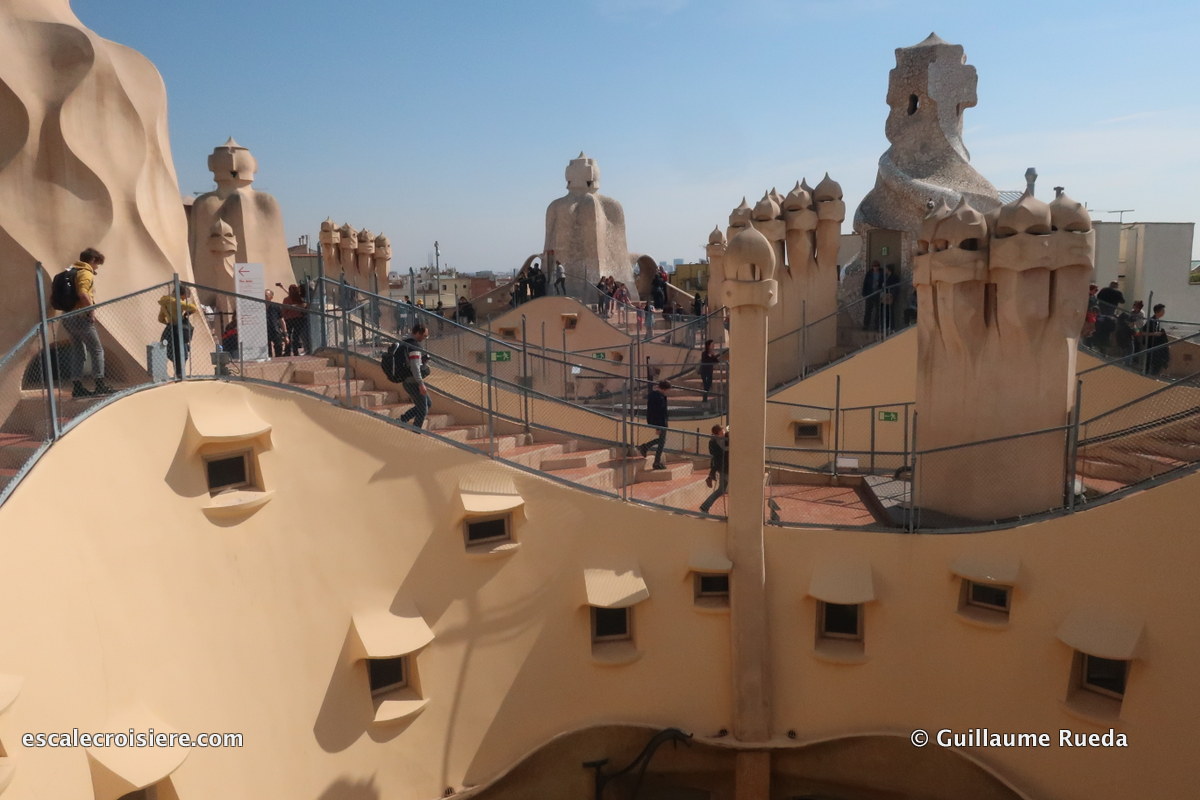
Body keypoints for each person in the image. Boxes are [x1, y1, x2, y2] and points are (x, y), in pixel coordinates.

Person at [61, 247, 114, 397]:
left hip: (67, 317)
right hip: (80, 317)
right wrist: (90, 312)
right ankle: (100, 384)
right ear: (92, 260)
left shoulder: (70, 271)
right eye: (97, 264)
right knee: (97, 350)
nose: (97, 267)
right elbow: (83, 293)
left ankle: (77, 387)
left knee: (78, 351)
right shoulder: (85, 273)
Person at [158, 290, 201, 378]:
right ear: (181, 294)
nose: (185, 298)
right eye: (184, 296)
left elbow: (160, 319)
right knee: (183, 353)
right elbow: (193, 308)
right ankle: (180, 374)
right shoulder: (176, 302)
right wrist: (186, 314)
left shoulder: (164, 303)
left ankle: (177, 373)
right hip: (179, 330)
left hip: (170, 330)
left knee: (174, 353)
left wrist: (169, 323)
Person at [398, 323, 432, 428]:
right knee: (423, 409)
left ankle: (402, 420)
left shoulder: (405, 341)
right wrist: (421, 384)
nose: (425, 338)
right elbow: (415, 367)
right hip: (412, 382)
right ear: (418, 333)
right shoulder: (414, 347)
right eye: (424, 336)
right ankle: (416, 431)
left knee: (428, 403)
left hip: (408, 380)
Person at [636, 380, 671, 470]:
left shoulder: (654, 395)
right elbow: (659, 412)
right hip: (660, 422)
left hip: (657, 421)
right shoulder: (659, 397)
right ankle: (655, 460)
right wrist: (660, 426)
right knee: (662, 441)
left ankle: (646, 448)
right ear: (664, 389)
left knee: (662, 441)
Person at [699, 424, 730, 515]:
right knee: (725, 489)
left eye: (723, 430)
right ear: (717, 434)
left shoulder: (723, 438)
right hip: (724, 468)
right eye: (722, 432)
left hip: (724, 467)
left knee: (721, 490)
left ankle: (705, 506)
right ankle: (705, 507)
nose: (724, 432)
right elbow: (719, 454)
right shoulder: (715, 442)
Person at [1141, 304, 1170, 376]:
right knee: (1149, 360)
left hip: (1155, 345)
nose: (1164, 312)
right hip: (1150, 344)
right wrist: (1154, 334)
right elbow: (1143, 332)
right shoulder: (1151, 321)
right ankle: (1146, 374)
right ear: (1157, 312)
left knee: (1155, 361)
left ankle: (1151, 374)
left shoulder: (1157, 321)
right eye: (1162, 310)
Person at [281, 284, 308, 355]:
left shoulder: (288, 299)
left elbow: (284, 310)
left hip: (289, 319)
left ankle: (288, 351)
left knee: (289, 335)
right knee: (296, 336)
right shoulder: (298, 299)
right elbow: (304, 306)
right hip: (297, 319)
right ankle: (295, 351)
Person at [264, 289, 287, 358]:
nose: (264, 297)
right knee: (267, 350)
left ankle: (278, 359)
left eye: (266, 295)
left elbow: (281, 320)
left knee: (278, 346)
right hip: (264, 330)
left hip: (275, 329)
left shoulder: (276, 307)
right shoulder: (260, 307)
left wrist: (285, 333)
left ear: (271, 297)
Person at [861, 261, 884, 331]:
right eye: (874, 266)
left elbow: (884, 281)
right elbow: (865, 283)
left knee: (878, 310)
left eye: (877, 266)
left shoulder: (882, 273)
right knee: (868, 310)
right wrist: (864, 293)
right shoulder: (869, 273)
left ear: (879, 266)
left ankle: (876, 326)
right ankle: (866, 325)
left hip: (878, 293)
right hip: (870, 293)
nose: (875, 267)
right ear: (872, 267)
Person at [699, 339, 720, 403]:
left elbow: (716, 361)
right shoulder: (704, 353)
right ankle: (704, 399)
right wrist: (711, 356)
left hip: (710, 372)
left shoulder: (712, 354)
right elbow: (705, 361)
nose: (713, 346)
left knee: (708, 384)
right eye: (712, 345)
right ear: (708, 346)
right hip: (704, 372)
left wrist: (714, 356)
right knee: (706, 385)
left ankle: (705, 398)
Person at [881, 264, 900, 332]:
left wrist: (892, 294)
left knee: (890, 311)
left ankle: (892, 327)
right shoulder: (886, 276)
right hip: (885, 296)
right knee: (886, 311)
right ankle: (886, 326)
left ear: (889, 269)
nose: (885, 270)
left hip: (891, 296)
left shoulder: (894, 277)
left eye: (886, 269)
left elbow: (896, 286)